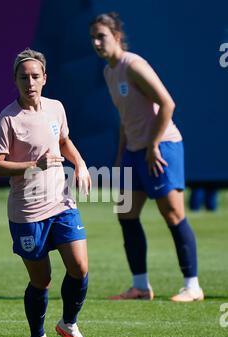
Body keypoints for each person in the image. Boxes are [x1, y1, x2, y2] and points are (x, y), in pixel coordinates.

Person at [0, 48, 93, 337]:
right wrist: (35, 165)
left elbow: (63, 141)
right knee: (41, 279)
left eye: (35, 76)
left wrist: (81, 163)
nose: (29, 82)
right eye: (24, 77)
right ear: (15, 81)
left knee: (80, 267)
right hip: (27, 212)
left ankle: (69, 324)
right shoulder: (8, 119)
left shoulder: (56, 108)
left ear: (45, 79)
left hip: (61, 203)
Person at [90, 12, 204, 302]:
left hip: (162, 146)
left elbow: (168, 104)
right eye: (93, 37)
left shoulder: (133, 65)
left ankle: (192, 286)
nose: (96, 42)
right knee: (126, 214)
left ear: (116, 37)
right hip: (133, 150)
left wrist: (153, 145)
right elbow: (125, 117)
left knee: (173, 214)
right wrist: (120, 157)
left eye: (101, 36)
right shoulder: (108, 72)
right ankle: (140, 287)